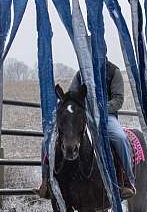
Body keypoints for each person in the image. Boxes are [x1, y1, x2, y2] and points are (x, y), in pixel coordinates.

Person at [36, 59, 136, 199]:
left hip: (106, 117)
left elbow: (118, 100)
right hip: (82, 116)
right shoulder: (80, 73)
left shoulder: (114, 72)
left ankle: (127, 180)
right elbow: (72, 94)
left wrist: (100, 109)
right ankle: (46, 182)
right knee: (47, 141)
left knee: (120, 138)